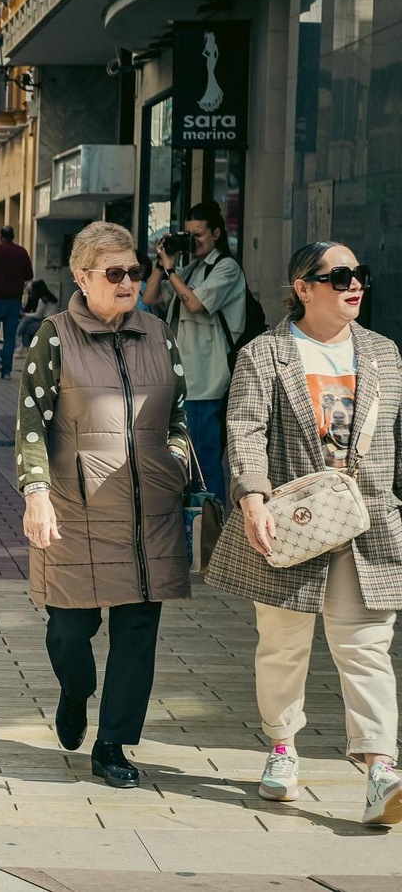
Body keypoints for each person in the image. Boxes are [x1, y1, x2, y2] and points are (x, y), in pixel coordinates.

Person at [206, 242, 402, 826]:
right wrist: (252, 498)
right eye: (339, 275)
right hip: (295, 525)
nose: (354, 284)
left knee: (366, 648)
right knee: (284, 644)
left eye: (359, 274)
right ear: (303, 287)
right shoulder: (266, 354)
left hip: (368, 525)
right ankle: (283, 749)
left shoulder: (385, 354)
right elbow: (244, 428)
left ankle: (381, 771)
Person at [15, 222, 190, 789]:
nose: (128, 283)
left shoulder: (160, 335)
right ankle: (75, 690)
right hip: (77, 511)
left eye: (135, 272)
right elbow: (31, 425)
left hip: (150, 513)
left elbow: (180, 417)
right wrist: (36, 492)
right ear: (82, 277)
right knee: (70, 630)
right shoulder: (55, 336)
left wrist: (178, 462)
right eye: (114, 274)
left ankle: (113, 743)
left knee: (137, 633)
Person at [145, 201, 247, 502]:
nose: (193, 241)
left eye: (198, 235)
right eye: (187, 234)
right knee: (184, 456)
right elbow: (151, 296)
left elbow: (195, 304)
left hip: (205, 382)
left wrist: (171, 270)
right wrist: (161, 265)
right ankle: (193, 521)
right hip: (182, 379)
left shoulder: (226, 268)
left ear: (216, 233)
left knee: (203, 456)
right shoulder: (189, 270)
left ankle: (210, 524)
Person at [0, 224, 33, 378]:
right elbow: (29, 274)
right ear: (13, 236)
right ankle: (6, 371)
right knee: (10, 335)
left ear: (0, 236)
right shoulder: (21, 252)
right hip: (14, 301)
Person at [15, 279, 61, 355]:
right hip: (53, 322)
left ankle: (24, 348)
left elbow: (37, 315)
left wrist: (25, 314)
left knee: (27, 328)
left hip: (47, 324)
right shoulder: (51, 298)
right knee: (27, 321)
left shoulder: (42, 300)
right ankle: (19, 338)